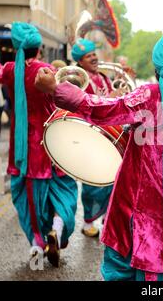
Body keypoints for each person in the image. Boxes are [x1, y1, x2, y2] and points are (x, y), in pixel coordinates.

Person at [35, 31, 163, 281]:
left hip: (134, 216)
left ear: (159, 68)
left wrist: (55, 89)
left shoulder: (148, 96)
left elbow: (100, 109)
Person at [0, 22, 78, 268]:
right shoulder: (46, 71)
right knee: (65, 191)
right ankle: (56, 231)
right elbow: (70, 98)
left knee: (30, 201)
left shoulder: (10, 70)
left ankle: (37, 247)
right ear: (39, 49)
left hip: (25, 151)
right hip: (52, 145)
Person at [71, 39, 120, 238]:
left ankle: (107, 219)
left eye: (93, 54)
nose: (93, 58)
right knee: (92, 183)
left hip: (109, 136)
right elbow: (85, 105)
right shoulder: (79, 80)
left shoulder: (104, 78)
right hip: (90, 136)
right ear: (80, 62)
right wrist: (112, 98)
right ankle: (88, 221)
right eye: (88, 56)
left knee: (111, 180)